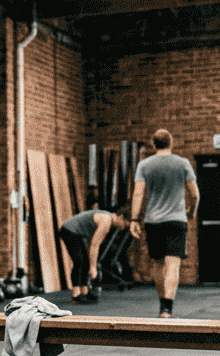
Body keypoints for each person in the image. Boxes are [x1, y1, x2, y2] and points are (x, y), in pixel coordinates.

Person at [128, 129, 199, 318]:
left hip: (154, 221)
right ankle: (167, 307)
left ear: (153, 144)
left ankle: (162, 304)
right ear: (171, 142)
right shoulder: (183, 163)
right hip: (176, 220)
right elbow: (194, 194)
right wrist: (191, 211)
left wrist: (134, 219)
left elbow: (138, 193)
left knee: (158, 263)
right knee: (173, 263)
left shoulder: (145, 165)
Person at [58, 205, 130, 304]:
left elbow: (91, 241)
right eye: (125, 224)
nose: (124, 227)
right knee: (79, 261)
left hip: (76, 232)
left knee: (85, 261)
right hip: (68, 230)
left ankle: (84, 291)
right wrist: (93, 268)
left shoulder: (107, 217)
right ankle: (76, 294)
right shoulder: (106, 222)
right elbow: (95, 245)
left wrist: (92, 264)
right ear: (121, 217)